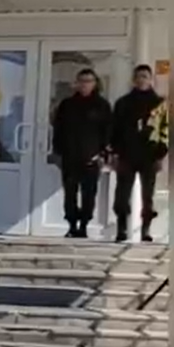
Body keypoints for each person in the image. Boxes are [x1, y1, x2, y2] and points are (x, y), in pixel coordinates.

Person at [51, 68, 112, 239]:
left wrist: (102, 154)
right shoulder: (67, 105)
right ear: (76, 84)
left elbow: (108, 132)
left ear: (95, 83)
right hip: (69, 156)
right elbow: (58, 129)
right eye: (82, 81)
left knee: (88, 194)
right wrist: (57, 152)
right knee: (70, 193)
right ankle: (72, 225)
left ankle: (84, 225)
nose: (85, 84)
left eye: (89, 81)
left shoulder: (102, 105)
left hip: (91, 158)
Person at [109, 64, 165, 243]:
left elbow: (166, 131)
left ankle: (146, 229)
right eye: (139, 76)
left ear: (151, 79)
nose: (142, 80)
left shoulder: (159, 104)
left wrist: (161, 155)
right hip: (127, 154)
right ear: (134, 80)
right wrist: (115, 152)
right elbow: (114, 129)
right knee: (122, 193)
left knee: (147, 195)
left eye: (145, 76)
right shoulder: (123, 103)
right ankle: (122, 228)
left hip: (150, 155)